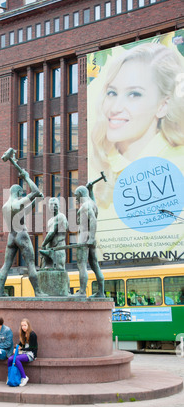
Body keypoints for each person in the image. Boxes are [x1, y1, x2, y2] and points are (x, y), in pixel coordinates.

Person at [90, 42, 184, 209]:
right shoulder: (103, 165)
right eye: (112, 93)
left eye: (134, 94)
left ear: (163, 105)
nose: (115, 108)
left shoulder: (179, 163)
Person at [0, 169, 47, 297]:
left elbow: (23, 213)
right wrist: (27, 177)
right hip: (21, 234)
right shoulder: (18, 202)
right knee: (30, 263)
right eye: (21, 193)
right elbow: (35, 191)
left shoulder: (5, 206)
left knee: (6, 265)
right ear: (19, 192)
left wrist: (36, 202)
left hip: (11, 236)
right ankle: (38, 291)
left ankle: (0, 291)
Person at [73, 183, 104, 297]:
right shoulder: (92, 204)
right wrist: (91, 190)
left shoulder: (85, 205)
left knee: (81, 264)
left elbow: (93, 220)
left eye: (76, 195)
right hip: (90, 238)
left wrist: (90, 238)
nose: (76, 198)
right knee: (94, 264)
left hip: (84, 237)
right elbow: (94, 204)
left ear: (80, 194)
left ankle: (82, 291)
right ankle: (101, 292)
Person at [40, 197, 69, 270]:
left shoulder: (61, 216)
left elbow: (52, 232)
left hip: (58, 247)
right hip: (49, 249)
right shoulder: (50, 220)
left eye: (55, 205)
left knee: (59, 269)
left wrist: (43, 244)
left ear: (59, 206)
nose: (53, 206)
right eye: (51, 205)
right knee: (46, 271)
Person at [7, 318, 38, 387]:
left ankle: (24, 377)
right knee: (10, 359)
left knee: (17, 359)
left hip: (31, 354)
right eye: (22, 325)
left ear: (28, 326)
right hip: (23, 352)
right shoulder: (24, 334)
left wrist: (21, 349)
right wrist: (16, 348)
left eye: (25, 325)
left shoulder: (33, 334)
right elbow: (20, 344)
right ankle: (10, 376)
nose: (23, 327)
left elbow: (32, 348)